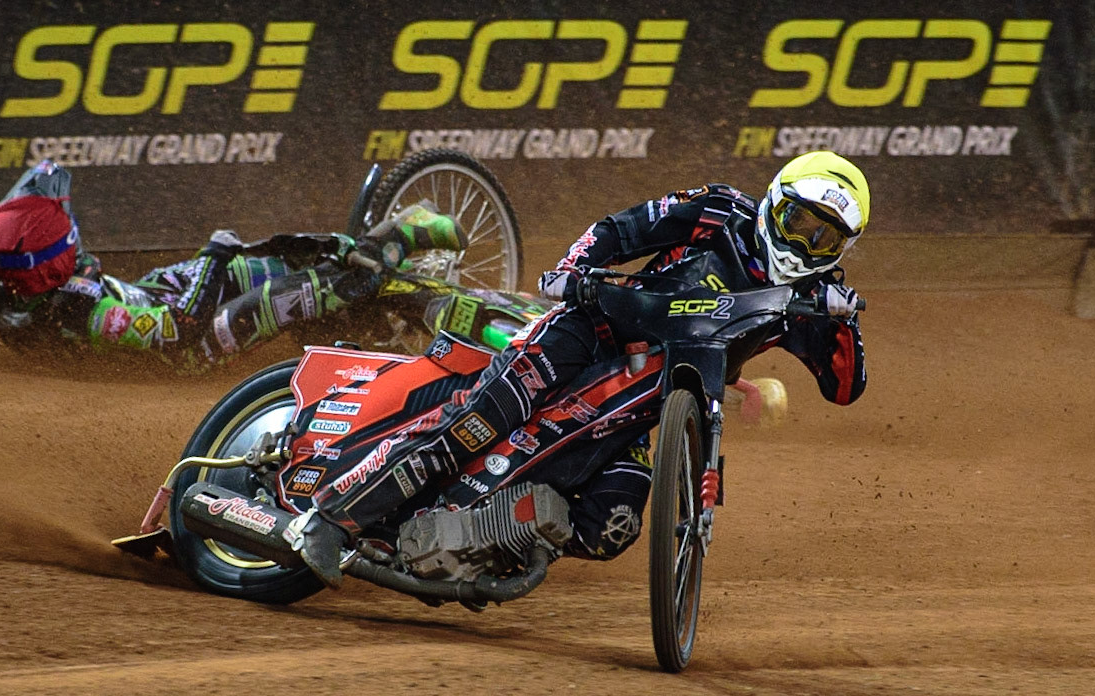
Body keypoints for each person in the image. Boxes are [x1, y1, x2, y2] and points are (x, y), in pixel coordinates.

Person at [295, 150, 871, 589]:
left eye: (826, 237)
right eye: (799, 222)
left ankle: (480, 540)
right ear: (775, 202)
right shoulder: (719, 209)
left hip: (646, 400)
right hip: (591, 330)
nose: (806, 242)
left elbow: (846, 387)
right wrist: (573, 270)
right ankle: (332, 521)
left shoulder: (815, 297)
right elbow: (622, 230)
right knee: (482, 417)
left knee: (612, 523)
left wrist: (842, 321)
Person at [0, 159, 468, 370]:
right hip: (200, 339)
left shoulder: (18, 303)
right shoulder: (82, 309)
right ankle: (400, 240)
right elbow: (181, 330)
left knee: (289, 254)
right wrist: (214, 256)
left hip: (176, 295)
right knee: (333, 277)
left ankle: (368, 287)